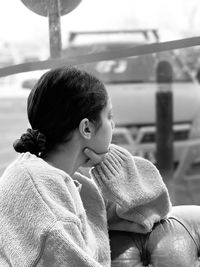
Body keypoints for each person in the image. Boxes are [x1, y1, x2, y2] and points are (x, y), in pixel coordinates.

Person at [0, 66, 171, 266]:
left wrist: (107, 159)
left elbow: (151, 210)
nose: (113, 125)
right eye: (109, 116)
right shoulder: (43, 196)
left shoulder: (73, 185)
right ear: (87, 128)